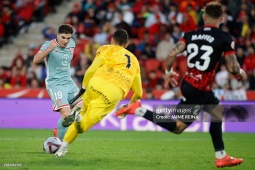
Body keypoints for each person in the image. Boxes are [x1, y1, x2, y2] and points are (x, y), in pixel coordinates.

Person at [115, 2, 246, 168]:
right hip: (200, 88)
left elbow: (171, 54)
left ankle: (221, 155)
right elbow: (233, 67)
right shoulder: (224, 37)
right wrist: (240, 73)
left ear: (204, 17)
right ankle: (138, 110)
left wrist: (168, 71)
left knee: (215, 112)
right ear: (221, 19)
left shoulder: (190, 35)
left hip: (189, 83)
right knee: (179, 126)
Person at [55, 29, 143, 157]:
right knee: (83, 126)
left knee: (82, 115)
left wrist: (84, 87)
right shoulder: (135, 62)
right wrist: (127, 107)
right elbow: (139, 93)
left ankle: (61, 150)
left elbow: (91, 71)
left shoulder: (106, 48)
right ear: (127, 44)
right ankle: (78, 120)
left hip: (94, 84)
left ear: (112, 40)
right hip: (112, 93)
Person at [33, 24, 83, 141]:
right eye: (63, 38)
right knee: (66, 114)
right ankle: (59, 142)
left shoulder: (72, 43)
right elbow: (35, 60)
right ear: (57, 36)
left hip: (69, 83)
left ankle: (58, 131)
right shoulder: (47, 44)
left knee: (81, 109)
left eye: (68, 38)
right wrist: (50, 49)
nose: (66, 41)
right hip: (55, 84)